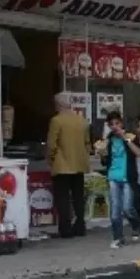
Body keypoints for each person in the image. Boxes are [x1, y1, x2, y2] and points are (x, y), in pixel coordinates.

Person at [95, 111, 140, 248]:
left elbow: (139, 153)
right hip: (113, 177)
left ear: (121, 123)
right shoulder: (109, 140)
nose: (115, 127)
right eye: (111, 124)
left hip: (127, 177)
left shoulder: (130, 137)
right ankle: (118, 238)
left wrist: (124, 138)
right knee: (115, 210)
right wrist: (101, 154)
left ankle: (137, 225)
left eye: (117, 123)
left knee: (127, 208)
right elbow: (106, 161)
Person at [47, 93, 91, 238]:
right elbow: (87, 143)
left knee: (63, 198)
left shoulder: (56, 121)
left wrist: (51, 159)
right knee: (78, 197)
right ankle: (80, 226)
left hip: (62, 165)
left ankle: (65, 229)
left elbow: (51, 145)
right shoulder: (82, 120)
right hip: (79, 164)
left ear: (58, 104)